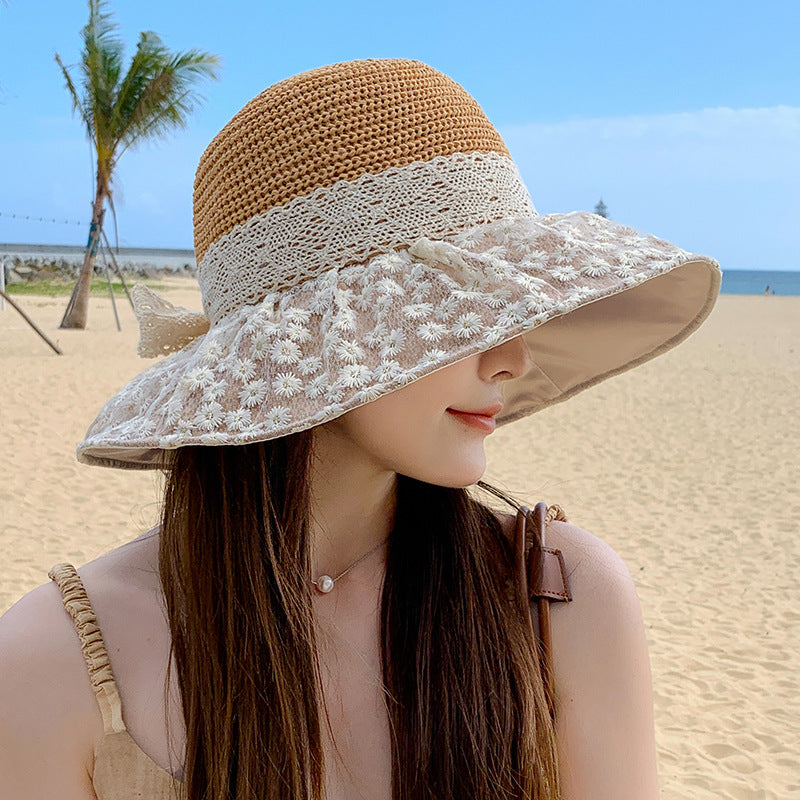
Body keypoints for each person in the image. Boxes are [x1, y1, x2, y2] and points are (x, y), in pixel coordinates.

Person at [0, 59, 720, 800]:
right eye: (454, 308)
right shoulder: (54, 661)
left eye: (509, 310)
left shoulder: (565, 599)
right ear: (320, 337)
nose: (513, 357)